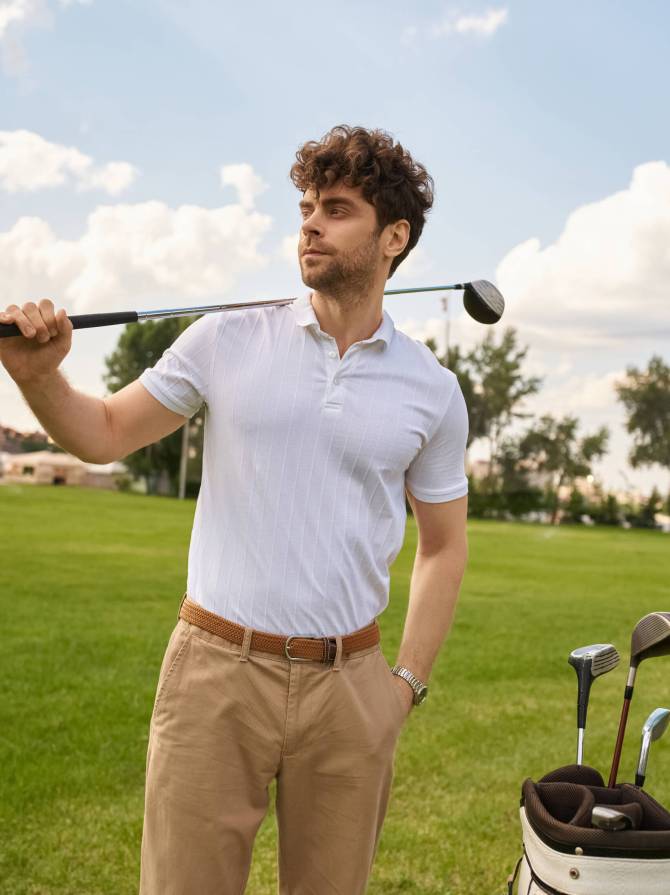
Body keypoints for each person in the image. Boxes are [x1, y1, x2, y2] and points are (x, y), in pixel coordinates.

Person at [0, 124, 469, 894]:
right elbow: (106, 431)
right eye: (307, 207)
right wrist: (39, 380)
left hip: (349, 684)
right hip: (215, 672)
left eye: (338, 209)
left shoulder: (432, 389)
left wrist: (403, 685)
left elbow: (444, 546)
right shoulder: (226, 337)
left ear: (394, 237)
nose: (311, 223)